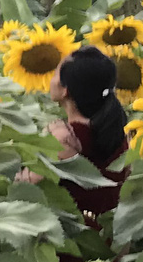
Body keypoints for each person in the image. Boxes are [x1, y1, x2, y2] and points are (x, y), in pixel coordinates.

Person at [49, 46, 129, 224]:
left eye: (55, 74)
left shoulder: (65, 140)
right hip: (111, 241)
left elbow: (28, 186)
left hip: (74, 243)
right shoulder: (117, 133)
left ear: (65, 90)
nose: (51, 79)